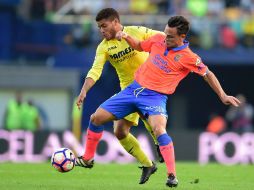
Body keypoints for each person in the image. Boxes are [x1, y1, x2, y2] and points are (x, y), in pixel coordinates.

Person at [76, 15, 241, 187]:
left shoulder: (189, 57)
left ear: (182, 37)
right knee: (96, 118)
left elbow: (208, 74)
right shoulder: (158, 40)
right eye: (165, 33)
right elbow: (140, 46)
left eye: (170, 36)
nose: (165, 38)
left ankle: (171, 175)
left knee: (159, 129)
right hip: (132, 90)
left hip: (154, 97)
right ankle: (88, 158)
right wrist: (126, 37)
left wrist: (222, 95)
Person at [75, 8, 164, 184]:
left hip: (149, 86)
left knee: (153, 125)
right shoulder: (104, 47)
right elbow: (95, 70)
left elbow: (161, 36)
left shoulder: (134, 31)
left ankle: (159, 144)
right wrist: (84, 90)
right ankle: (147, 164)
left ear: (116, 22)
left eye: (104, 26)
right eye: (99, 27)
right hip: (127, 92)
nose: (101, 30)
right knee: (116, 129)